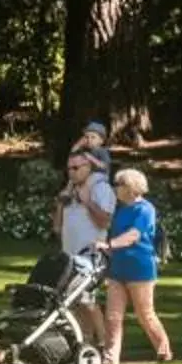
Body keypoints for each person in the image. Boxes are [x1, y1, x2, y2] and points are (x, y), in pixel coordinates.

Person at [104, 166, 172, 364]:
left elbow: (134, 235)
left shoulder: (145, 209)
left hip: (140, 268)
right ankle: (110, 357)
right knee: (113, 316)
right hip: (118, 267)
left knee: (145, 315)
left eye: (119, 185)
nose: (115, 188)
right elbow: (115, 235)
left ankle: (163, 350)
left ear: (131, 188)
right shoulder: (121, 210)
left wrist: (111, 244)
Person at [55, 148, 115, 349]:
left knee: (86, 300)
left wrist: (87, 202)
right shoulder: (70, 189)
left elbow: (105, 222)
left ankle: (104, 343)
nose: (71, 172)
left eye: (76, 167)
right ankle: (86, 342)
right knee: (73, 301)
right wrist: (60, 204)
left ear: (89, 167)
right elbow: (57, 227)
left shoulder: (101, 188)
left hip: (90, 256)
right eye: (69, 169)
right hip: (70, 256)